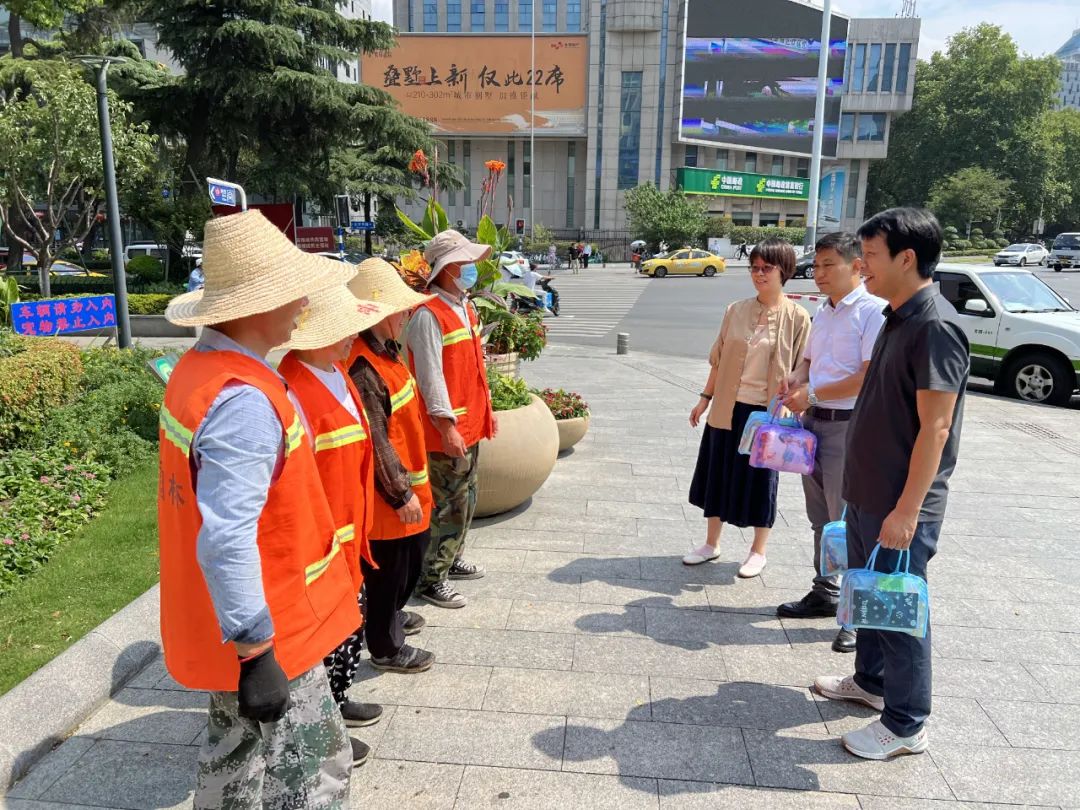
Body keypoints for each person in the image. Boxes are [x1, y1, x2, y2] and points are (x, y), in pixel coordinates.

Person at [158, 210, 359, 807]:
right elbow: (227, 537)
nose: (303, 303)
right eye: (292, 291)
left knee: (234, 759)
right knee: (314, 773)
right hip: (273, 631)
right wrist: (257, 653)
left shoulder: (199, 373)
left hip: (227, 619)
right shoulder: (244, 401)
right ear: (255, 307)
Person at [814, 207, 969, 761]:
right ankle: (871, 682)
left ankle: (906, 723)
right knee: (868, 596)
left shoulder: (935, 327)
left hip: (900, 503)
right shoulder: (895, 316)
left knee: (900, 610)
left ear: (907, 258)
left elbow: (936, 428)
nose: (862, 265)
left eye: (871, 256)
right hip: (868, 492)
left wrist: (907, 510)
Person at [277, 282, 395, 767]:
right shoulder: (293, 388)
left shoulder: (337, 373)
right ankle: (319, 732)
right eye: (343, 328)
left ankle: (336, 704)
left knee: (347, 630)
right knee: (322, 640)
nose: (352, 336)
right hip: (318, 546)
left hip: (349, 539)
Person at [775, 232, 886, 654]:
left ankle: (856, 617)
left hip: (848, 426)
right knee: (821, 517)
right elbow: (809, 360)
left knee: (849, 524)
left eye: (828, 265)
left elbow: (867, 375)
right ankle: (826, 591)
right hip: (813, 425)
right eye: (816, 265)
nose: (818, 273)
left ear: (856, 266)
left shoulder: (872, 312)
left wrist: (814, 393)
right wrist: (796, 378)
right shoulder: (825, 310)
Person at [685, 237, 811, 577]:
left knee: (761, 481)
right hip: (728, 407)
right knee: (716, 473)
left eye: (766, 268)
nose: (758, 274)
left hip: (767, 415)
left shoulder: (798, 317)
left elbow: (803, 369)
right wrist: (704, 399)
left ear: (784, 270)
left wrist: (797, 406)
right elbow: (718, 359)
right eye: (754, 268)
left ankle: (758, 550)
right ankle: (711, 543)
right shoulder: (735, 310)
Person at [346, 257, 438, 673]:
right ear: (379, 312)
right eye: (401, 307)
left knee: (406, 564)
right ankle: (386, 647)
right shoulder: (364, 366)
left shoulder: (385, 350)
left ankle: (391, 616)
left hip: (407, 486)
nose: (407, 313)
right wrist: (400, 494)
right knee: (388, 573)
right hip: (388, 498)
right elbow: (377, 439)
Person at [406, 229, 497, 608]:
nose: (472, 267)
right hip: (447, 430)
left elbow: (472, 367)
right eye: (465, 262)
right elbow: (431, 378)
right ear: (446, 269)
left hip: (470, 422)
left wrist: (486, 411)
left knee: (467, 497)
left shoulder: (465, 307)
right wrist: (447, 427)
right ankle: (431, 579)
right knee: (448, 505)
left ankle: (451, 558)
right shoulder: (427, 315)